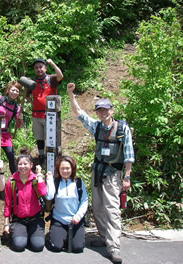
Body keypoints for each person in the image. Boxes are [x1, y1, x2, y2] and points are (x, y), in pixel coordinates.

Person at [67, 83, 134, 264]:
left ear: (111, 111)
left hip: (113, 173)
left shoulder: (122, 129)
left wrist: (127, 177)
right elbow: (78, 113)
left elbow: (129, 154)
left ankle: (114, 247)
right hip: (97, 171)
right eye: (99, 111)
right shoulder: (96, 127)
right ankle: (104, 237)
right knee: (97, 207)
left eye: (106, 110)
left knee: (112, 209)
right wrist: (70, 94)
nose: (103, 113)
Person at [3, 153, 47, 252]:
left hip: (35, 219)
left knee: (38, 246)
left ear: (31, 165)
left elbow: (43, 192)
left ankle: (30, 236)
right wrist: (6, 223)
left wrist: (39, 175)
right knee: (19, 245)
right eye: (20, 164)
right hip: (19, 220)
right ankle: (23, 236)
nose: (23, 167)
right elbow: (8, 204)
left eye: (25, 164)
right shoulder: (11, 182)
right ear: (16, 165)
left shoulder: (36, 180)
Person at [45, 156, 88, 253]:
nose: (65, 171)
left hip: (75, 220)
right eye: (62, 168)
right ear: (58, 169)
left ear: (72, 169)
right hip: (58, 220)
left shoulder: (78, 183)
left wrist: (78, 216)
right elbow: (49, 196)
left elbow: (84, 201)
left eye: (67, 168)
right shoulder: (55, 182)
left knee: (77, 248)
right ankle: (60, 237)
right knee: (56, 247)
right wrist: (49, 180)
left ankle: (70, 238)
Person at [26, 58, 63, 166]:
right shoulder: (32, 82)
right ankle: (42, 156)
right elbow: (26, 95)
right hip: (36, 114)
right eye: (36, 68)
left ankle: (54, 157)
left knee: (52, 137)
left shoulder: (51, 79)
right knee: (39, 137)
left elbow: (60, 76)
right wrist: (32, 102)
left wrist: (52, 63)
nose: (39, 69)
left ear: (45, 68)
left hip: (50, 114)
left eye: (41, 67)